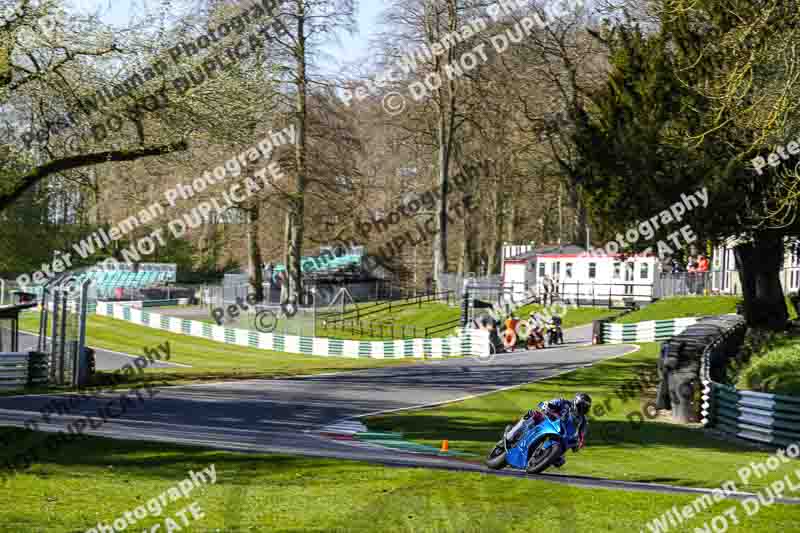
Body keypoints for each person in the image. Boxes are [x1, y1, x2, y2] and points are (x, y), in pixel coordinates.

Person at [503, 393, 592, 467]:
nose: (583, 409)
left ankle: (544, 457)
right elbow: (548, 404)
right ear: (576, 402)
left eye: (585, 407)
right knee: (532, 414)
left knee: (560, 461)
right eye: (581, 406)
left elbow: (581, 436)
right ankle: (510, 435)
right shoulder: (564, 403)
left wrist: (579, 443)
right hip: (548, 422)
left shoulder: (583, 421)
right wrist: (547, 406)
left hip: (561, 437)